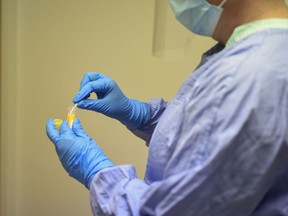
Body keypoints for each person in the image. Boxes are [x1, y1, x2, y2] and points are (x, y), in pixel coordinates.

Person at [46, 0, 288, 215]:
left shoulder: (251, 74)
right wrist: (140, 115)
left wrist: (96, 171)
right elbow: (209, 138)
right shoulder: (260, 51)